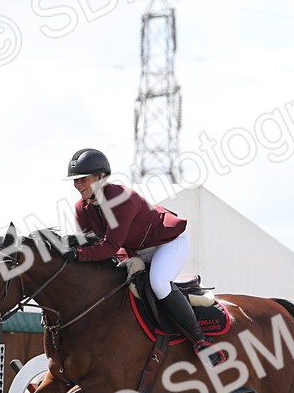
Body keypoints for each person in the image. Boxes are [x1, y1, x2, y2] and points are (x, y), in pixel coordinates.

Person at [66, 147, 223, 365]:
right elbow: (90, 245)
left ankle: (200, 340)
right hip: (136, 252)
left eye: (83, 179)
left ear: (101, 177)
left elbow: (109, 246)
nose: (77, 185)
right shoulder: (82, 208)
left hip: (168, 244)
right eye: (75, 180)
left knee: (158, 282)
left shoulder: (121, 199)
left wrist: (75, 254)